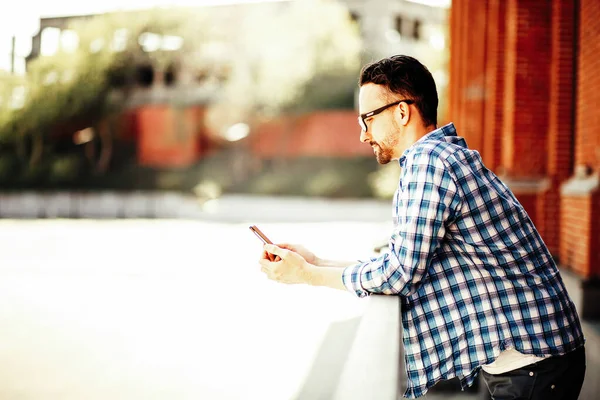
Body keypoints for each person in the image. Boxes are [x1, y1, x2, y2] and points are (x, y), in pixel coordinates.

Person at [258, 55, 586, 399]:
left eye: (367, 119)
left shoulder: (430, 164)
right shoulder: (440, 157)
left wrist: (306, 276)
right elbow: (403, 259)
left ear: (402, 112)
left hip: (532, 363)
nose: (362, 134)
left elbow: (399, 273)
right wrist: (316, 261)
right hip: (535, 358)